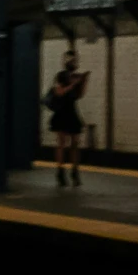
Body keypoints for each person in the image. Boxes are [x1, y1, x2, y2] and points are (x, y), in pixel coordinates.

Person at [46, 48, 89, 187]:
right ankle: (61, 171)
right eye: (72, 60)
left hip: (71, 110)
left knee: (75, 143)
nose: (74, 62)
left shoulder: (76, 76)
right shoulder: (61, 76)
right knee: (62, 143)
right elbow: (59, 92)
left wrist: (84, 82)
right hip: (62, 111)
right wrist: (74, 84)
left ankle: (74, 171)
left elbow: (80, 95)